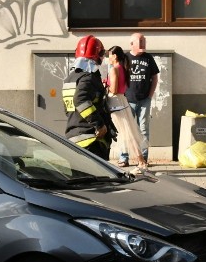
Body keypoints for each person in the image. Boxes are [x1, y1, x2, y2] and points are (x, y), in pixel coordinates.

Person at [64, 35, 116, 161]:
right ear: (98, 55)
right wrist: (99, 125)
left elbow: (68, 109)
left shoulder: (70, 78)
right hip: (91, 141)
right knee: (99, 179)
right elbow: (80, 100)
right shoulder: (89, 77)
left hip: (74, 137)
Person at [117, 33, 159, 167]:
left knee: (144, 130)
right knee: (126, 129)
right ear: (132, 44)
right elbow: (117, 76)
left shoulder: (148, 58)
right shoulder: (124, 58)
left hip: (144, 100)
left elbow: (155, 78)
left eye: (144, 41)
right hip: (128, 100)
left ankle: (143, 158)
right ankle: (124, 158)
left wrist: (150, 96)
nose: (143, 43)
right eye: (140, 41)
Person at [106, 45, 148, 173]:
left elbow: (113, 89)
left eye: (109, 55)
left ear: (114, 56)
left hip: (115, 102)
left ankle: (141, 161)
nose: (108, 58)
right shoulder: (123, 68)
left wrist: (105, 84)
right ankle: (141, 161)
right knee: (130, 132)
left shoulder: (114, 70)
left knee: (127, 134)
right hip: (123, 100)